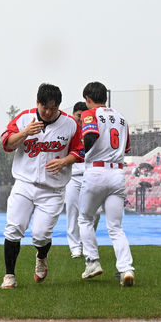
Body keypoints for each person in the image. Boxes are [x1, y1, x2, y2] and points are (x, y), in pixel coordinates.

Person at [0, 83, 83, 289]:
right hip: (24, 184)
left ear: (59, 107)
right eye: (44, 106)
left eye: (52, 108)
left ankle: (42, 256)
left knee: (40, 235)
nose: (47, 112)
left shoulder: (70, 124)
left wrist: (65, 161)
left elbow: (80, 151)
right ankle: (9, 275)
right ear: (37, 102)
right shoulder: (25, 118)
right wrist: (25, 132)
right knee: (14, 229)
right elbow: (7, 144)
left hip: (52, 189)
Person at [78, 81, 135, 287]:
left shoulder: (89, 114)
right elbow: (126, 148)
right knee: (116, 228)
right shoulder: (121, 118)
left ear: (88, 99)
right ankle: (126, 269)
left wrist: (84, 152)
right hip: (117, 173)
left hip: (96, 171)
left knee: (84, 218)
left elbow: (91, 135)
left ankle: (92, 261)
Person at [65, 101, 101, 258]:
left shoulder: (92, 130)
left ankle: (86, 242)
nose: (80, 118)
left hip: (90, 175)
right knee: (72, 213)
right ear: (73, 114)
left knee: (96, 213)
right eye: (78, 115)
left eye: (83, 115)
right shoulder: (68, 131)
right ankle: (75, 247)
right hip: (73, 177)